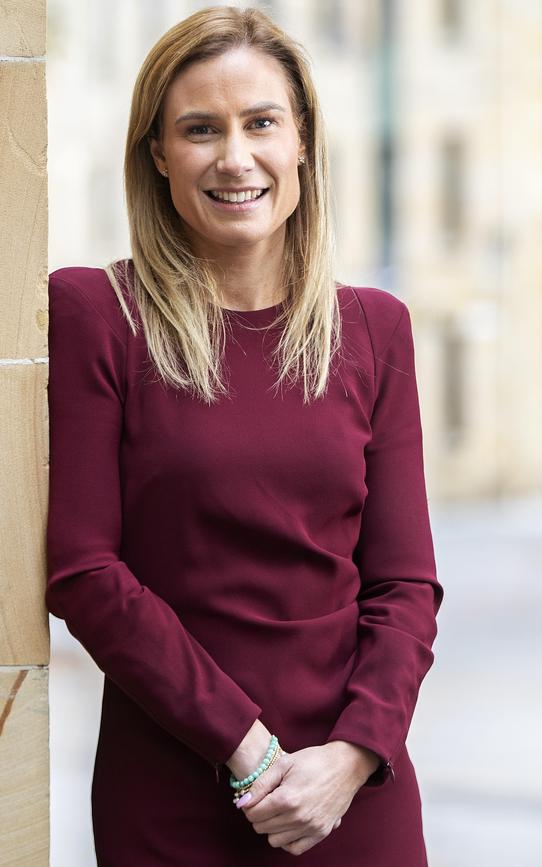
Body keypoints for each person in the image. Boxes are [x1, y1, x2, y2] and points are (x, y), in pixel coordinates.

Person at [45, 6, 444, 865]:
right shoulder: (98, 315)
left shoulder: (374, 329)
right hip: (173, 790)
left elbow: (406, 584)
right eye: (199, 129)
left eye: (261, 122)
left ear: (301, 140)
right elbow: (83, 571)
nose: (235, 156)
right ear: (157, 154)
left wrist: (352, 755)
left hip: (352, 790)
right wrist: (248, 750)